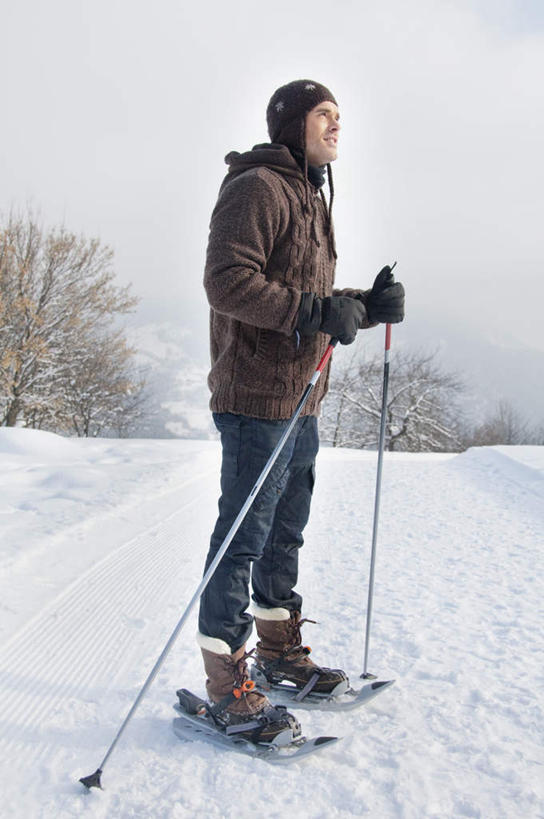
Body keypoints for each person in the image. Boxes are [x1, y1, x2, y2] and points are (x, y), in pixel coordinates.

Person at [196, 79, 405, 743]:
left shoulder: (310, 193)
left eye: (340, 115)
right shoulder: (257, 186)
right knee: (242, 540)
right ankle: (228, 686)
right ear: (291, 124)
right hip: (257, 397)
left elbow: (301, 294)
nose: (336, 125)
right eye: (323, 114)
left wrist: (361, 305)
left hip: (300, 398)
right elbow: (228, 281)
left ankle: (278, 653)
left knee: (284, 534)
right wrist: (314, 311)